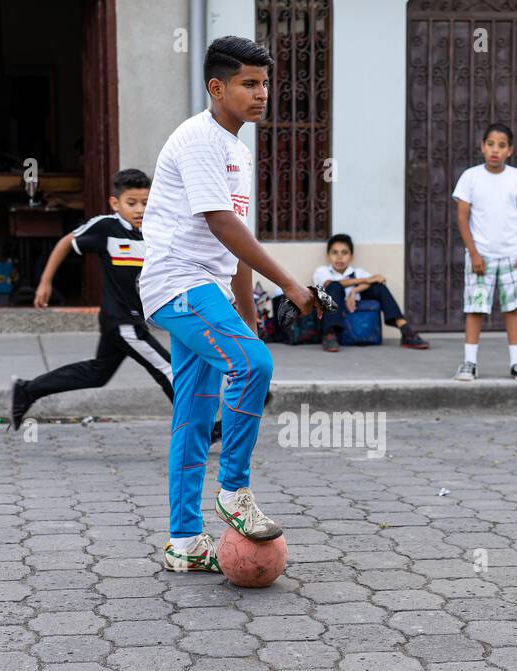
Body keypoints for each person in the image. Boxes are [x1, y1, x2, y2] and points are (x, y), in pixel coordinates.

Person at [139, 35, 320, 574]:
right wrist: (290, 284)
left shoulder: (237, 150)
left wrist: (248, 314)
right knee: (253, 365)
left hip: (207, 288)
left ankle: (184, 542)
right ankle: (234, 491)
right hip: (176, 283)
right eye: (249, 83)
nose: (262, 93)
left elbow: (233, 237)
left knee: (192, 416)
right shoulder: (197, 139)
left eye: (265, 83)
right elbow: (220, 223)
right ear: (216, 87)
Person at [10, 169, 180, 431]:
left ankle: (27, 390)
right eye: (131, 203)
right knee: (169, 370)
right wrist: (45, 283)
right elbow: (66, 242)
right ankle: (200, 430)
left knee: (98, 373)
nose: (139, 210)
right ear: (115, 203)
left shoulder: (153, 231)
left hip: (130, 320)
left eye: (145, 203)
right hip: (123, 323)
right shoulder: (106, 228)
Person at [451, 122, 517, 383]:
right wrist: (474, 254)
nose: (495, 150)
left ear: (509, 150)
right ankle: (469, 363)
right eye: (490, 144)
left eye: (501, 146)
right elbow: (462, 217)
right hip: (481, 258)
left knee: (513, 309)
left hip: (511, 257)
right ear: (482, 146)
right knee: (475, 308)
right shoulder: (471, 177)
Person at [313, 234, 428, 351]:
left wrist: (354, 290)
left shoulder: (357, 272)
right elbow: (330, 284)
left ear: (351, 256)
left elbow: (378, 279)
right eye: (335, 253)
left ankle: (404, 329)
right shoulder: (322, 271)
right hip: (331, 313)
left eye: (344, 253)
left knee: (378, 287)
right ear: (328, 256)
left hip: (355, 307)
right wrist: (365, 280)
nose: (339, 257)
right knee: (334, 286)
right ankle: (329, 335)